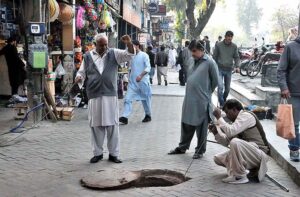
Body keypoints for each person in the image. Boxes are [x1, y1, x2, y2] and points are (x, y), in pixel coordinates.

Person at [75, 34, 135, 164]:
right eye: (102, 45)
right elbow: (81, 72)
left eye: (106, 44)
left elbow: (129, 54)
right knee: (95, 125)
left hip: (109, 95)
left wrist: (129, 43)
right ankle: (98, 153)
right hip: (94, 94)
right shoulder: (87, 56)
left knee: (112, 125)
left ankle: (114, 154)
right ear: (95, 44)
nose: (105, 47)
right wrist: (79, 77)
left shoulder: (114, 53)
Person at [168, 40, 219, 159]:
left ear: (202, 50)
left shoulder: (210, 62)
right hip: (189, 98)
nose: (192, 54)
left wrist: (206, 93)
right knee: (186, 123)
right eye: (191, 51)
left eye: (195, 51)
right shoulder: (192, 60)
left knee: (201, 126)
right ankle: (182, 147)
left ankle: (200, 150)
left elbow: (215, 81)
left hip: (202, 100)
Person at [210, 99, 270, 184]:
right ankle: (239, 171)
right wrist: (215, 133)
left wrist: (219, 117)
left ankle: (239, 176)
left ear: (234, 109)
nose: (227, 115)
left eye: (227, 112)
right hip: (249, 153)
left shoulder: (246, 116)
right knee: (218, 158)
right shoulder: (236, 122)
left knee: (235, 141)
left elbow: (231, 132)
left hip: (260, 154)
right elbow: (227, 142)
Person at [277, 36, 300, 162]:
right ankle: (294, 149)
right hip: (294, 92)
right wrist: (284, 87)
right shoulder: (290, 47)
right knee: (295, 124)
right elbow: (281, 70)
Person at [119, 40, 152, 125]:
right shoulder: (131, 56)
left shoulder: (144, 55)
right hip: (132, 83)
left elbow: (148, 68)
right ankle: (125, 117)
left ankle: (148, 115)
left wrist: (141, 76)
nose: (131, 48)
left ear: (137, 46)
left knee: (146, 100)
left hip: (143, 82)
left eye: (132, 46)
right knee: (127, 99)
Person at [213, 31, 240, 107]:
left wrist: (237, 66)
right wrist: (212, 68)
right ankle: (222, 103)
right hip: (219, 69)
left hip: (229, 70)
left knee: (227, 89)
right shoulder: (218, 45)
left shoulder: (234, 46)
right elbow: (214, 57)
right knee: (220, 86)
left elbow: (236, 57)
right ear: (225, 36)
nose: (229, 38)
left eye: (231, 37)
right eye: (228, 36)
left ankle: (224, 99)